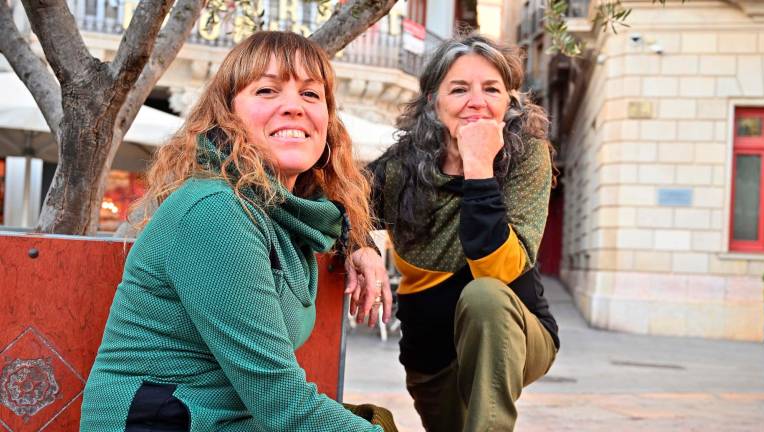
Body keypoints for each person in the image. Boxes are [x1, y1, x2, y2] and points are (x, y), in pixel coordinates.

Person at [81, 31, 395, 432]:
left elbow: (328, 218)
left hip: (227, 418)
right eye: (267, 90)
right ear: (226, 114)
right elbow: (286, 406)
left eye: (311, 95)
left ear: (328, 125)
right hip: (166, 422)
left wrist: (358, 245)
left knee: (375, 420)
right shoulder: (215, 211)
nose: (294, 107)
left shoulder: (283, 214)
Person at [358, 34, 560, 431]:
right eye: (459, 89)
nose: (477, 101)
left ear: (509, 101)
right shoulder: (400, 168)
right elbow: (341, 208)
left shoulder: (526, 155)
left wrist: (479, 167)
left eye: (491, 89)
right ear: (434, 102)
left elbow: (498, 271)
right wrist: (360, 245)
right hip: (430, 353)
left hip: (516, 333)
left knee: (485, 295)